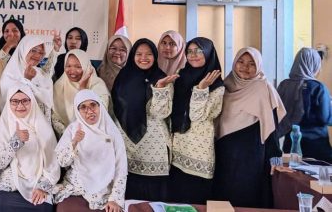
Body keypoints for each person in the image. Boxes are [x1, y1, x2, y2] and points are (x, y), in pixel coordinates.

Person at [214, 47, 285, 208]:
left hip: (250, 154)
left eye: (252, 63)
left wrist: (275, 156)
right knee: (222, 196)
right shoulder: (225, 85)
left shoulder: (262, 88)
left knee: (246, 195)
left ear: (258, 66)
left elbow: (272, 127)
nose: (245, 67)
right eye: (241, 61)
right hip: (224, 150)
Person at [111, 38, 177, 201]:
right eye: (139, 54)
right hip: (126, 144)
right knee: (129, 197)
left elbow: (160, 113)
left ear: (155, 56)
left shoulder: (162, 79)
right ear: (133, 55)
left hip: (154, 150)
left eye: (148, 54)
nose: (143, 58)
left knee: (153, 200)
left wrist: (159, 89)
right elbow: (115, 110)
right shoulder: (123, 77)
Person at [167, 37, 223, 204]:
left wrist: (201, 89)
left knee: (194, 201)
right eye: (189, 51)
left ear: (208, 53)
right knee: (175, 202)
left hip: (198, 153)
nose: (193, 55)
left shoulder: (217, 85)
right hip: (177, 149)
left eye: (198, 51)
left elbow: (197, 116)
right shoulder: (181, 75)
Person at [55, 90, 127, 212]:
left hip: (104, 191)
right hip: (75, 187)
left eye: (93, 105)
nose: (89, 111)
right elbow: (62, 162)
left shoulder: (111, 130)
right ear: (77, 111)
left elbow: (121, 167)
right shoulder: (73, 129)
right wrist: (74, 142)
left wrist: (115, 198)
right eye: (83, 107)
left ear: (100, 106)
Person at [0, 84, 59, 212]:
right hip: (10, 183)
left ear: (32, 101)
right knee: (0, 203)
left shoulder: (43, 126)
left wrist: (42, 187)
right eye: (15, 101)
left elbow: (53, 164)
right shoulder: (4, 126)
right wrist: (16, 142)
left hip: (38, 182)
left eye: (25, 101)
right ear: (9, 103)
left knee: (42, 206)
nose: (20, 105)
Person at [277, 47, 332, 161]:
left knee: (292, 172)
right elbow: (325, 118)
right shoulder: (318, 88)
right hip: (316, 145)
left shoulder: (283, 85)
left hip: (290, 143)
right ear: (314, 65)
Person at [52, 49, 110, 136]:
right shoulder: (59, 85)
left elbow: (99, 116)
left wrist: (83, 89)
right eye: (68, 66)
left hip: (94, 136)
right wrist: (69, 135)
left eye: (78, 67)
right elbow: (55, 118)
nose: (72, 71)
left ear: (86, 67)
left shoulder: (98, 85)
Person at [0, 36, 53, 121]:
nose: (37, 55)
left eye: (41, 53)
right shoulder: (9, 75)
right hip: (19, 124)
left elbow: (48, 102)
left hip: (41, 124)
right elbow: (13, 103)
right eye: (33, 50)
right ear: (23, 50)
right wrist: (27, 80)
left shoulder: (40, 73)